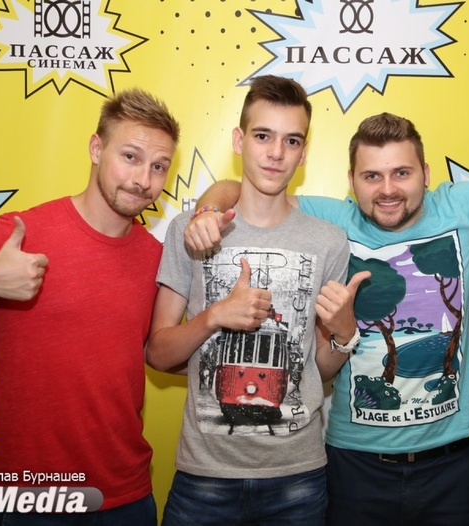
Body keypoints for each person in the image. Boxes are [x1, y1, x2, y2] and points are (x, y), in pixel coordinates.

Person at [185, 110, 469, 524]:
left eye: (402, 173)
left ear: (426, 174)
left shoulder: (462, 206)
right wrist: (206, 211)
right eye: (372, 176)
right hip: (354, 465)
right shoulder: (332, 219)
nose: (387, 190)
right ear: (351, 181)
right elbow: (238, 190)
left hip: (452, 467)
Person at [0, 88, 180, 525]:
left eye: (159, 166)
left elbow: (163, 352)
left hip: (126, 496)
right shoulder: (25, 232)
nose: (143, 179)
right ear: (96, 149)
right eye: (130, 157)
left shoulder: (155, 257)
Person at [145, 75, 362, 525]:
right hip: (204, 475)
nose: (276, 152)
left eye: (291, 140)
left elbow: (316, 371)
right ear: (239, 141)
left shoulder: (329, 242)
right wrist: (214, 316)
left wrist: (344, 335)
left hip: (298, 476)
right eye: (263, 136)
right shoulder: (192, 230)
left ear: (303, 153)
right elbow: (158, 354)